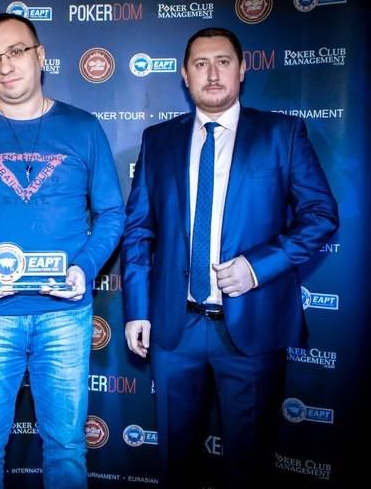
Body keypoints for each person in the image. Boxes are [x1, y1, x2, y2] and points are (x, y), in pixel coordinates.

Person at [122, 27, 338, 488]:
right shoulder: (158, 140)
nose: (212, 73)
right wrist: (137, 308)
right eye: (200, 64)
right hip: (174, 330)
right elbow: (139, 229)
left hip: (252, 329)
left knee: (248, 467)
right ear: (184, 75)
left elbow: (321, 215)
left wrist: (257, 267)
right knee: (175, 466)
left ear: (242, 70)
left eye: (223, 61)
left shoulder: (282, 133)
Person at [0, 13, 125, 488]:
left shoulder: (83, 128)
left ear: (40, 56)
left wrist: (85, 268)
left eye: (15, 52)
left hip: (65, 315)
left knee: (67, 450)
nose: (4, 66)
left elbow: (112, 213)